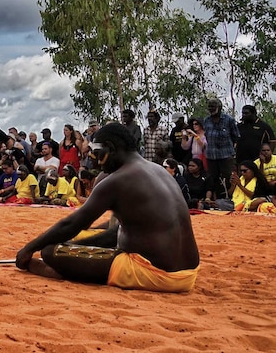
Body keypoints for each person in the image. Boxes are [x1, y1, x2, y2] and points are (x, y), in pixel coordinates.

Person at [16, 122, 200, 292]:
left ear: (110, 149)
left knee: (49, 251)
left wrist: (29, 248)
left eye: (95, 150)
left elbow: (72, 224)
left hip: (155, 273)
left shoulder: (118, 179)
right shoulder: (158, 170)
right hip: (188, 275)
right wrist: (76, 246)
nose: (92, 157)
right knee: (69, 247)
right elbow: (118, 232)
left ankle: (65, 272)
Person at [202, 98, 240, 199]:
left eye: (213, 107)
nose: (211, 110)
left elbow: (236, 136)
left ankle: (230, 198)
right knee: (212, 179)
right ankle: (216, 200)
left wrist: (233, 152)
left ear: (219, 107)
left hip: (226, 155)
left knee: (228, 178)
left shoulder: (229, 120)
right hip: (211, 155)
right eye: (209, 108)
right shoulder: (206, 120)